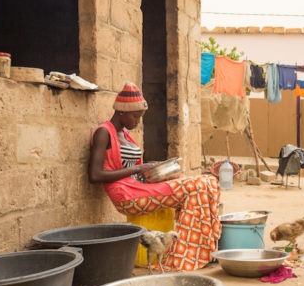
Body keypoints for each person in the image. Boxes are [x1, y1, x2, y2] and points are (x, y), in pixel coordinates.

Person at [88, 82, 222, 272]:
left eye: (140, 116)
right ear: (121, 112)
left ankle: (201, 251)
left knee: (209, 181)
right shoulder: (104, 133)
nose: (137, 121)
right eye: (135, 116)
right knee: (198, 185)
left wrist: (155, 170)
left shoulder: (125, 134)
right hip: (126, 196)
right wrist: (140, 168)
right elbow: (95, 175)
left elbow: (134, 170)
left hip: (139, 187)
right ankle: (182, 257)